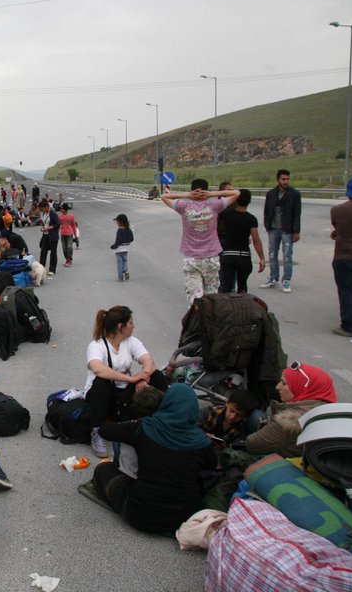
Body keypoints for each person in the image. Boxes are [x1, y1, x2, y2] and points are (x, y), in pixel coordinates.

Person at [93, 384, 217, 533]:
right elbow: (212, 464)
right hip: (182, 517)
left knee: (103, 469)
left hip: (140, 514)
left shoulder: (145, 427)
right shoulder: (202, 441)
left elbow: (105, 430)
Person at [84, 306, 168, 458]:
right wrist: (130, 379)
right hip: (102, 398)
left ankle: (162, 421)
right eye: (131, 322)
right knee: (102, 381)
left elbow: (148, 360)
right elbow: (97, 368)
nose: (133, 325)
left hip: (124, 395)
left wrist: (143, 377)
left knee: (157, 376)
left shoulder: (130, 341)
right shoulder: (97, 345)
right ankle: (97, 431)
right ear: (120, 326)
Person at [162, 179, 240, 305]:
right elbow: (236, 193)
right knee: (212, 295)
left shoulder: (183, 206)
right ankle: (211, 316)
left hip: (192, 258)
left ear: (191, 190)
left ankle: (196, 315)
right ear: (206, 190)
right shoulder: (215, 205)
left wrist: (187, 195)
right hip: (211, 257)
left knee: (195, 298)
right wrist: (211, 194)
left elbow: (164, 196)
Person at [244, 363, 337, 458]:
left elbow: (251, 445)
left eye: (284, 383)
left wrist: (267, 426)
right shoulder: (327, 408)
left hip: (292, 462)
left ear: (301, 386)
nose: (277, 387)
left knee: (255, 416)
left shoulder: (289, 421)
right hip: (315, 459)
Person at [260, 169, 302, 293]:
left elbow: (297, 213)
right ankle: (273, 278)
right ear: (278, 179)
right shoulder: (271, 194)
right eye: (283, 179)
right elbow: (267, 211)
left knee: (287, 256)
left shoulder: (294, 194)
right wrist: (267, 226)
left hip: (287, 230)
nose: (286, 181)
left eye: (287, 179)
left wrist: (296, 231)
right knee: (272, 255)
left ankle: (286, 280)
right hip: (273, 229)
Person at [330, 176, 352, 336]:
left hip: (344, 257)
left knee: (346, 291)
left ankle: (348, 326)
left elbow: (339, 228)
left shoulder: (337, 210)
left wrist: (337, 233)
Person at [218, 189, 265, 293]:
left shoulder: (226, 214)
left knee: (227, 287)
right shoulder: (251, 219)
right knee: (242, 286)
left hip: (228, 255)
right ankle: (242, 300)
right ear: (249, 201)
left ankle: (226, 302)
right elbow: (256, 240)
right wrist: (262, 258)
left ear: (236, 200)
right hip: (244, 256)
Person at [37, 200, 60, 275]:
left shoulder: (53, 214)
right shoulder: (44, 213)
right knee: (43, 252)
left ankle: (52, 270)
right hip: (45, 235)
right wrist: (43, 227)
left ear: (47, 207)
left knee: (53, 253)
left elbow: (57, 225)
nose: (41, 210)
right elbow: (45, 223)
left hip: (53, 236)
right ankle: (41, 269)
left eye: (42, 208)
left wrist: (48, 228)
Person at [109, 214, 133, 282]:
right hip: (126, 248)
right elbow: (132, 239)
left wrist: (113, 246)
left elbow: (118, 241)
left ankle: (120, 277)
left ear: (120, 222)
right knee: (125, 260)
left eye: (117, 221)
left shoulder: (119, 230)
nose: (116, 223)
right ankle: (125, 270)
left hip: (119, 249)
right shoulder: (129, 230)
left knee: (119, 262)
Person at [58, 203, 78, 267]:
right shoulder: (59, 217)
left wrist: (75, 235)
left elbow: (73, 226)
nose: (60, 210)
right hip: (62, 234)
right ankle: (67, 259)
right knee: (64, 248)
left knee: (69, 247)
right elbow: (58, 226)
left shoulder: (71, 216)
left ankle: (70, 259)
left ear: (65, 209)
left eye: (62, 208)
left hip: (70, 234)